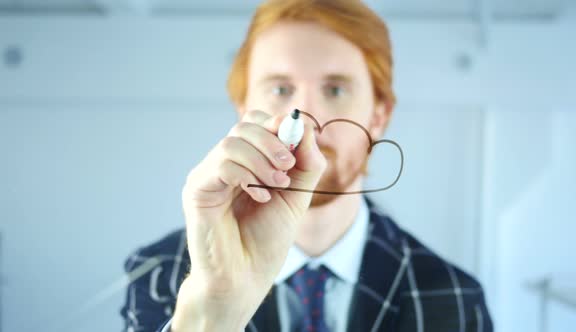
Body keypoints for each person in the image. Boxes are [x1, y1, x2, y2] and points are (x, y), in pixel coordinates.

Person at [120, 0, 493, 331]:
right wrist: (213, 313)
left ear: (379, 116)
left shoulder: (454, 296)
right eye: (280, 89)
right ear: (244, 111)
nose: (309, 119)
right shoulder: (158, 273)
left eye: (335, 90)